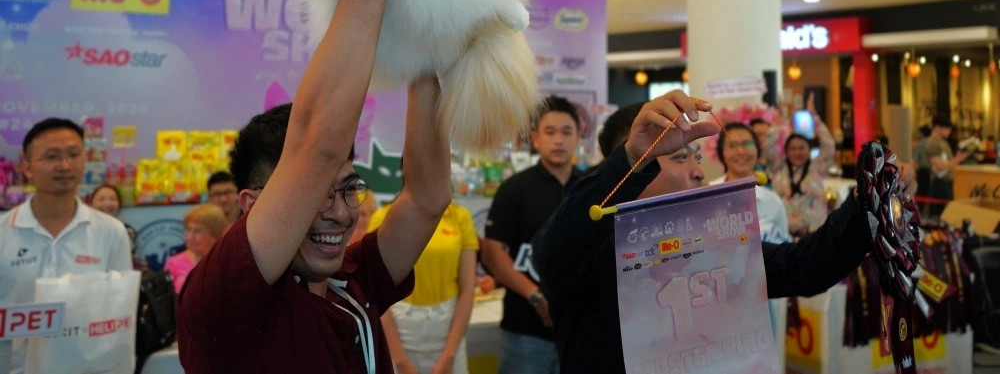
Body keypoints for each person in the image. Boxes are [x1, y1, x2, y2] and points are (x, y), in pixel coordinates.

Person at [176, 0, 451, 373]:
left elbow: (428, 197)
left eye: (347, 189)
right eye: (315, 196)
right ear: (250, 203)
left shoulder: (353, 277)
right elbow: (317, 147)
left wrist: (422, 59)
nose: (343, 213)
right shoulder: (225, 297)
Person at [533, 92, 875, 374]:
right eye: (681, 157)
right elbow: (555, 258)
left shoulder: (707, 243)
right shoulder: (588, 243)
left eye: (697, 157)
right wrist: (630, 159)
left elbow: (800, 267)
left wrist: (865, 205)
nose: (699, 172)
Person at [0, 118, 133, 373]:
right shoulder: (3, 232)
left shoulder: (110, 232)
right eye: (52, 156)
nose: (64, 165)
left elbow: (118, 314)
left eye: (74, 154)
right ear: (27, 167)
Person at [482, 96, 583, 374]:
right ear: (535, 138)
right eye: (550, 133)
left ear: (578, 137)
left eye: (566, 132)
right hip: (524, 330)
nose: (559, 140)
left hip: (578, 331)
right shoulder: (515, 189)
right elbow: (493, 252)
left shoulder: (589, 188)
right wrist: (535, 296)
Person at [369, 201, 478, 374]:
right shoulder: (383, 217)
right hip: (399, 329)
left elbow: (467, 289)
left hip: (449, 330)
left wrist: (449, 356)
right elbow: (376, 292)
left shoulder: (460, 217)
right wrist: (400, 361)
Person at [710, 122, 789, 244]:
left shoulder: (772, 201)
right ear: (722, 153)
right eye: (732, 145)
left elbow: (783, 250)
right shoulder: (707, 195)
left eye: (747, 144)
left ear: (757, 149)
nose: (741, 151)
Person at [770, 133, 829, 236]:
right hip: (784, 236)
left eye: (802, 148)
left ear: (809, 150)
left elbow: (829, 145)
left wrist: (815, 119)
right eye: (793, 148)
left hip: (812, 235)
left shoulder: (818, 171)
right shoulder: (778, 174)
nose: (798, 152)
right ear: (786, 152)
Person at [926, 115, 971, 217]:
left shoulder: (943, 142)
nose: (949, 131)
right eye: (946, 128)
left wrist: (960, 157)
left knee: (947, 215)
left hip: (946, 183)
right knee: (939, 216)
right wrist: (959, 158)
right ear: (937, 127)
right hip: (939, 184)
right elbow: (939, 166)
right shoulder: (932, 143)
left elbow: (948, 162)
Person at [90, 183, 138, 255]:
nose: (107, 203)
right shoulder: (84, 230)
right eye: (101, 199)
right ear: (91, 204)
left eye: (112, 199)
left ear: (119, 204)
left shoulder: (127, 231)